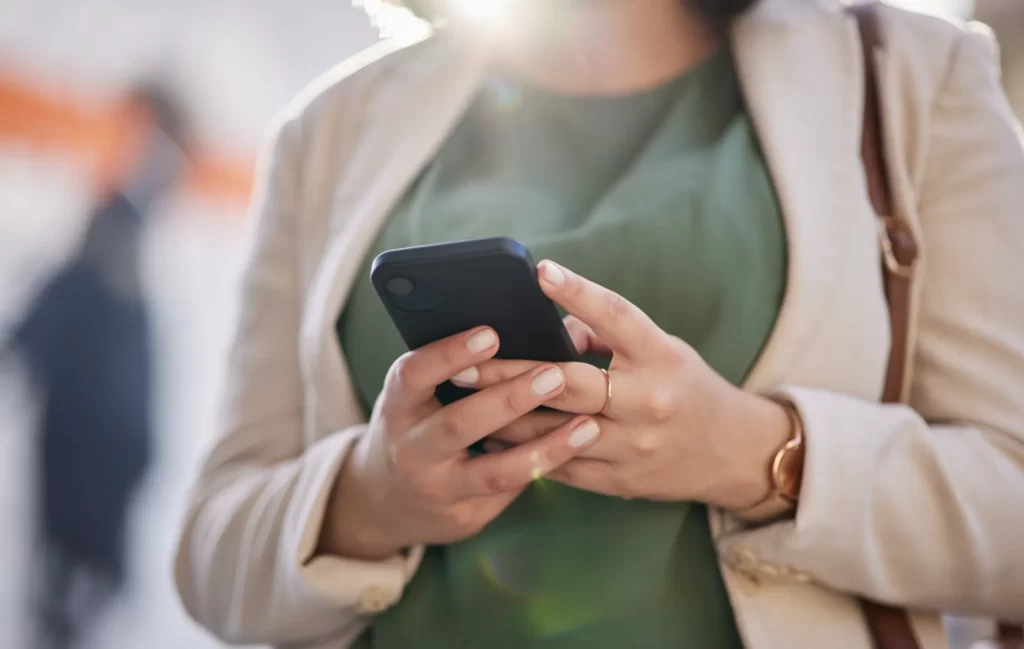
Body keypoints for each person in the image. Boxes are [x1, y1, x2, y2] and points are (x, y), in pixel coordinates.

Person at [173, 0, 1024, 648]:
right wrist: (370, 495)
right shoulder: (329, 128)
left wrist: (755, 454)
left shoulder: (908, 77)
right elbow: (209, 554)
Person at [3, 81, 190, 649]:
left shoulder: (145, 232)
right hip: (81, 441)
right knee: (64, 591)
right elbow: (52, 312)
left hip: (109, 447)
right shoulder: (104, 225)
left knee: (82, 589)